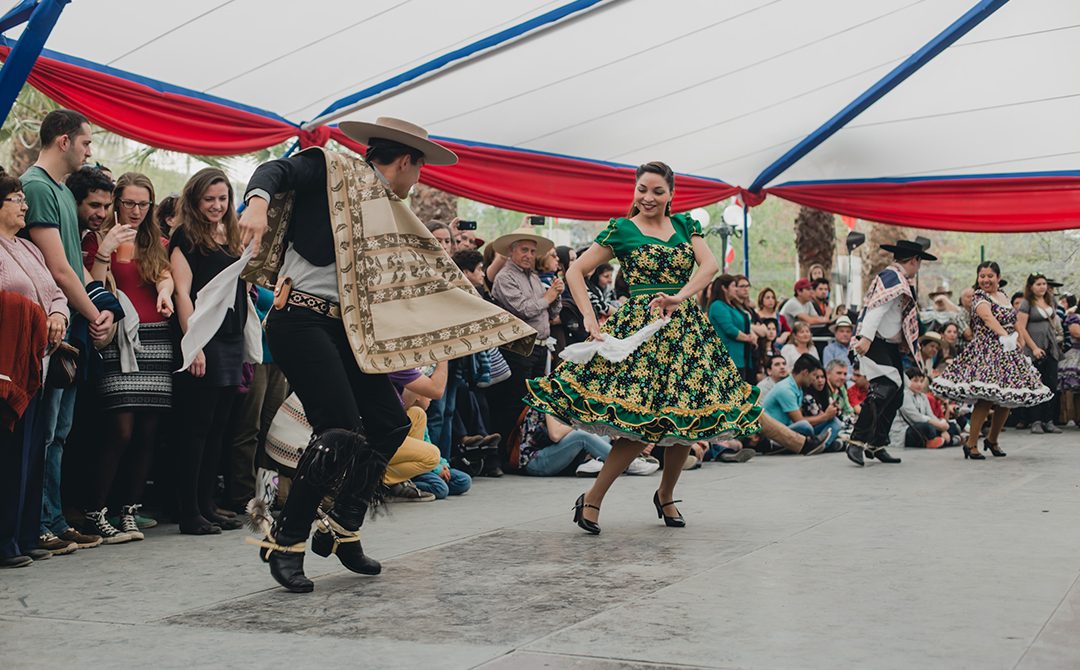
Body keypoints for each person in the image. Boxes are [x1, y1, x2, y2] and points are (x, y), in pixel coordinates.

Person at [238, 117, 533, 593]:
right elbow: (277, 171)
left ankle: (342, 526)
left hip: (347, 331)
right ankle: (286, 538)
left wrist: (499, 326)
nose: (418, 182)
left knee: (389, 423)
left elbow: (434, 277)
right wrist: (255, 204)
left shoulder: (392, 215)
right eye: (419, 170)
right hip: (301, 321)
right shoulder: (332, 168)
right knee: (337, 428)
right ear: (404, 161)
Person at [526, 161, 827, 535]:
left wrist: (680, 296)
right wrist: (589, 317)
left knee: (686, 420)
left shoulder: (686, 225)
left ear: (671, 195)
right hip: (641, 332)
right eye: (642, 189)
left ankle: (666, 494)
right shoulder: (621, 230)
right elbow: (574, 271)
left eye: (657, 191)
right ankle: (593, 498)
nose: (648, 197)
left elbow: (710, 265)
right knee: (639, 426)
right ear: (634, 191)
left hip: (685, 330)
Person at [19, 110, 116, 555]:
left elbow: (72, 265)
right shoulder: (37, 186)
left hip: (71, 321)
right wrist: (94, 312)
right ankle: (36, 523)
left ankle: (54, 519)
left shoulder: (58, 189)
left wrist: (93, 308)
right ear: (63, 141)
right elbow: (57, 267)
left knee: (59, 431)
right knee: (44, 432)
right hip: (49, 324)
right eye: (86, 142)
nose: (90, 150)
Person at [80, 172, 176, 542]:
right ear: (116, 202)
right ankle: (95, 510)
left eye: (143, 203)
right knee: (119, 429)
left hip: (156, 338)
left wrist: (165, 292)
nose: (136, 211)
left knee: (148, 432)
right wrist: (106, 249)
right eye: (129, 203)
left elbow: (163, 274)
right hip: (118, 338)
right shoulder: (95, 239)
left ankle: (130, 512)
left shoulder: (155, 240)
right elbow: (90, 283)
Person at [0, 174, 79, 565]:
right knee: (9, 450)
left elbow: (56, 291)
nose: (24, 206)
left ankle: (27, 533)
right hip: (5, 364)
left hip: (36, 362)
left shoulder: (29, 248)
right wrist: (34, 314)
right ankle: (4, 540)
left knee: (33, 449)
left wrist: (58, 314)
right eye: (16, 199)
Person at [170, 168, 247, 535]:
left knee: (219, 427)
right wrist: (193, 343)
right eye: (209, 199)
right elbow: (182, 293)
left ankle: (207, 504)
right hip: (205, 339)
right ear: (195, 201)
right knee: (196, 428)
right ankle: (189, 512)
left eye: (223, 198)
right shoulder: (185, 237)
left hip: (232, 338)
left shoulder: (233, 236)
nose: (217, 206)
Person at [931, 262, 1052, 459]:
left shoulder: (1003, 295)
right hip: (987, 351)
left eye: (990, 276)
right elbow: (988, 318)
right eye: (982, 276)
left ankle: (992, 440)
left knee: (1007, 399)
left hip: (1008, 351)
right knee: (985, 398)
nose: (986, 280)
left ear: (998, 277)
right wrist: (1006, 336)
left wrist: (1020, 339)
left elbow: (1015, 322)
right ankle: (971, 444)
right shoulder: (979, 297)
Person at [846, 238, 936, 466]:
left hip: (888, 344)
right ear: (914, 261)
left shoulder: (897, 278)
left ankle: (877, 443)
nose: (919, 266)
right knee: (886, 387)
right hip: (875, 340)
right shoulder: (893, 278)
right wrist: (865, 338)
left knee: (896, 393)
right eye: (919, 262)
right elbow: (877, 309)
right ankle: (857, 441)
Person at [488, 224, 562, 474]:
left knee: (532, 403)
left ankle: (521, 450)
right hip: (517, 348)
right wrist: (549, 297)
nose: (529, 255)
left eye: (532, 251)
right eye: (524, 250)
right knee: (512, 402)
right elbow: (524, 309)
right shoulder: (505, 277)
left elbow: (550, 313)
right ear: (511, 251)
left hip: (538, 348)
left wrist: (556, 296)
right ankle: (501, 456)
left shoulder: (532, 277)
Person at [1015, 273, 1064, 434]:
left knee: (1051, 384)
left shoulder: (1051, 301)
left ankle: (1049, 420)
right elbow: (1021, 327)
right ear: (1031, 287)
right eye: (1038, 284)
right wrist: (1033, 347)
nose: (1042, 287)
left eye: (1044, 284)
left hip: (1051, 346)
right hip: (1033, 347)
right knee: (1036, 384)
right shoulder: (1026, 303)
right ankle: (1035, 420)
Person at [762, 354, 841, 450]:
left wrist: (828, 416)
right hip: (775, 434)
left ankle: (819, 446)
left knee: (835, 422)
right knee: (805, 426)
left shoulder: (798, 387)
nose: (814, 380)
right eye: (814, 376)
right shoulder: (785, 389)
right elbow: (799, 421)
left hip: (791, 430)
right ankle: (814, 445)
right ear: (805, 373)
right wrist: (825, 416)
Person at [892, 368, 960, 449]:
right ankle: (948, 441)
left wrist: (943, 428)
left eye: (921, 381)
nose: (919, 384)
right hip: (905, 431)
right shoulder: (903, 395)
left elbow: (930, 415)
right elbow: (915, 418)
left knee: (952, 426)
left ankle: (939, 441)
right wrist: (939, 426)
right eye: (915, 381)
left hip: (923, 425)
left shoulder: (923, 396)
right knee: (927, 427)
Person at [709, 274, 757, 382]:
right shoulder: (718, 306)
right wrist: (749, 338)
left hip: (741, 357)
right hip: (729, 358)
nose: (736, 289)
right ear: (724, 288)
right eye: (734, 286)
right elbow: (730, 329)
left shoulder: (732, 306)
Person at [66, 166, 113, 237]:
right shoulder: (59, 233)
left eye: (106, 207)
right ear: (74, 202)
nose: (102, 214)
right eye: (95, 205)